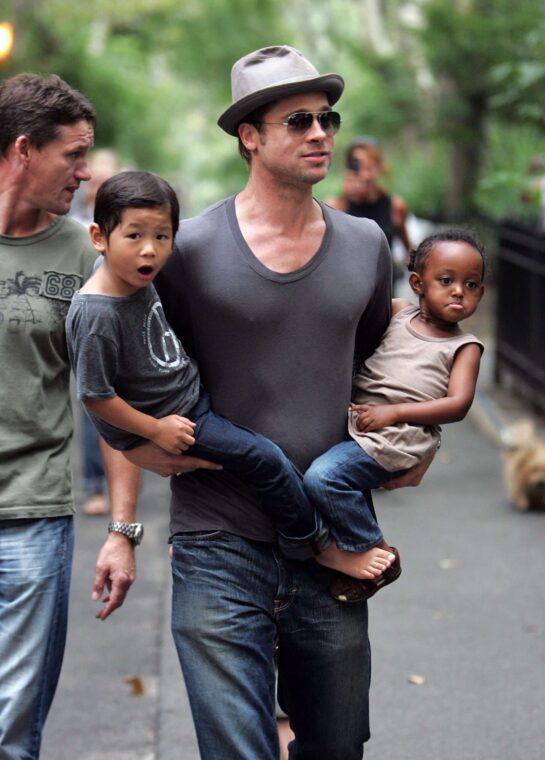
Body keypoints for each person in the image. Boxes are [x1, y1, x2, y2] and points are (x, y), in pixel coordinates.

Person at [122, 45, 431, 759]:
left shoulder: (363, 244)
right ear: (250, 137)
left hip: (332, 544)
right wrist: (140, 454)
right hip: (217, 540)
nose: (322, 133)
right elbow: (137, 370)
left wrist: (410, 447)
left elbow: (379, 373)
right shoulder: (188, 249)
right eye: (299, 120)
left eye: (328, 118)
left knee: (335, 745)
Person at [66, 169, 364, 565]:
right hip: (180, 418)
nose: (150, 251)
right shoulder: (96, 314)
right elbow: (95, 397)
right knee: (266, 460)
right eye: (134, 235)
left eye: (162, 236)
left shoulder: (134, 278)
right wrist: (155, 431)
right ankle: (314, 543)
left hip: (190, 396)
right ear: (99, 238)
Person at [0, 73, 139, 760]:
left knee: (11, 731)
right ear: (24, 150)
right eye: (74, 155)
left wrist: (121, 529)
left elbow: (108, 398)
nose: (86, 172)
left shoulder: (83, 257)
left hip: (33, 513)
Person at [306, 228, 485, 602]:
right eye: (447, 280)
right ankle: (349, 554)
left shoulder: (464, 346)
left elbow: (459, 404)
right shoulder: (400, 313)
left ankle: (375, 551)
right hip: (364, 425)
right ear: (418, 283)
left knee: (325, 478)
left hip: (398, 436)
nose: (458, 292)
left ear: (480, 294)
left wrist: (396, 413)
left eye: (471, 285)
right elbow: (353, 312)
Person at [73, 149, 122, 516]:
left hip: (120, 327)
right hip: (87, 329)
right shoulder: (73, 225)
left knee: (116, 403)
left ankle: (121, 477)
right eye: (96, 181)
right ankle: (95, 484)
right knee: (93, 402)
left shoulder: (127, 222)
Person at [327, 137, 412, 282]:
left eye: (369, 166)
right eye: (357, 165)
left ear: (379, 168)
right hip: (347, 282)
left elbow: (408, 250)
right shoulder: (335, 206)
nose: (364, 174)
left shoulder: (395, 207)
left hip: (384, 285)